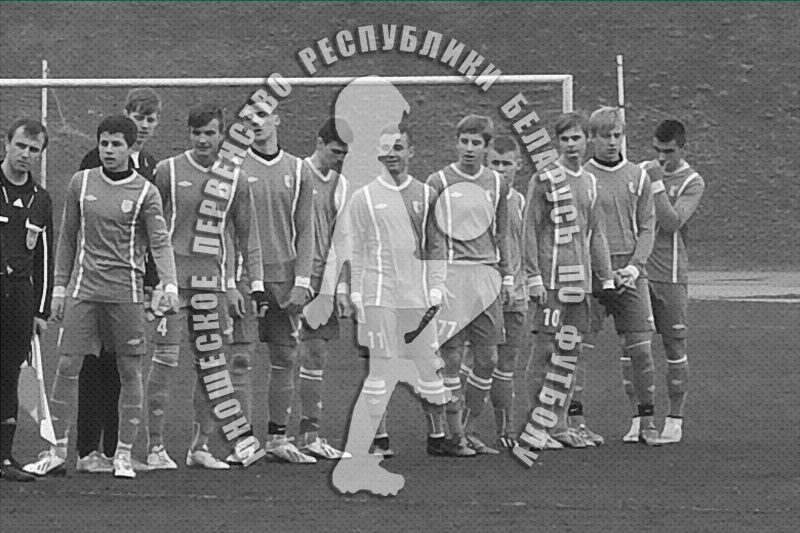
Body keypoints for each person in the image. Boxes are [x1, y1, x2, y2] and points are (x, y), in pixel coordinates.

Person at [24, 115, 178, 479]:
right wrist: (59, 288)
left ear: (129, 147)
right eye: (104, 143)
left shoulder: (146, 192)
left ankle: (122, 453)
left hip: (126, 294)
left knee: (129, 371)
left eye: (116, 144)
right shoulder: (81, 182)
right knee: (66, 366)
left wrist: (169, 285)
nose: (109, 150)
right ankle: (56, 450)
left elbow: (159, 242)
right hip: (84, 292)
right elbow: (67, 238)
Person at [331, 120, 450, 496]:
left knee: (429, 365)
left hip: (416, 298)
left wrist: (436, 286)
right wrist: (354, 292)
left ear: (410, 152)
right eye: (386, 149)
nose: (392, 155)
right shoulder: (363, 198)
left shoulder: (427, 195)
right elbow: (354, 248)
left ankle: (438, 434)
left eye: (399, 148)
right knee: (380, 367)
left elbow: (437, 244)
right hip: (378, 295)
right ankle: (379, 438)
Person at [144, 103, 262, 470]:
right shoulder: (167, 171)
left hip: (211, 287)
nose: (202, 140)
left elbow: (245, 237)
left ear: (222, 134)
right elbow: (149, 230)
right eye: (196, 133)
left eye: (210, 133)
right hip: (172, 286)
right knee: (164, 362)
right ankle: (155, 447)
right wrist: (153, 281)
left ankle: (200, 447)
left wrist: (242, 285)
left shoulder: (236, 179)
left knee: (211, 367)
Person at [75, 88, 162, 474]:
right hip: (97, 284)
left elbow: (153, 232)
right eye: (138, 117)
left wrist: (153, 281)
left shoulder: (151, 166)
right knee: (93, 365)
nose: (144, 125)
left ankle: (116, 451)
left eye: (150, 118)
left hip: (131, 283)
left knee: (123, 368)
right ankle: (86, 450)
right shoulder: (95, 162)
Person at [521, 113, 615, 450]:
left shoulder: (590, 182)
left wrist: (605, 276)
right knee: (545, 351)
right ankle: (536, 427)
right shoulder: (545, 178)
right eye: (564, 139)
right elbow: (530, 228)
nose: (571, 145)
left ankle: (559, 426)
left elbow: (596, 232)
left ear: (587, 139)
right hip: (551, 281)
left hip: (580, 285)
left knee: (569, 354)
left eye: (576, 138)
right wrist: (532, 275)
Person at [425, 115, 515, 456]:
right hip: (453, 276)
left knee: (488, 358)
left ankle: (470, 426)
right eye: (464, 141)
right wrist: (435, 280)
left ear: (487, 147)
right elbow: (432, 237)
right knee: (450, 356)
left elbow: (502, 233)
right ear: (456, 143)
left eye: (476, 143)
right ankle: (454, 435)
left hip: (486, 277)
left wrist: (507, 275)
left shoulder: (497, 183)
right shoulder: (438, 181)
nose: (469, 148)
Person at [237, 98, 319, 464]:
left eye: (262, 116)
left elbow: (306, 229)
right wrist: (231, 278)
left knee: (285, 356)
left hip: (284, 278)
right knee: (240, 358)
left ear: (277, 119)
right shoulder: (233, 167)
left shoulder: (298, 170)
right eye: (249, 118)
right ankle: (241, 441)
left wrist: (303, 280)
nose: (256, 123)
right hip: (245, 276)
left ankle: (277, 438)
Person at [582, 107, 661, 446]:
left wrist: (634, 267)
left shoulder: (638, 176)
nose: (612, 142)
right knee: (577, 350)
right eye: (605, 136)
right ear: (591, 138)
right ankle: (575, 422)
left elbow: (648, 226)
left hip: (630, 274)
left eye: (617, 135)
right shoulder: (581, 177)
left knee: (641, 350)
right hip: (591, 275)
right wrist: (596, 269)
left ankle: (646, 422)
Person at [458, 135, 528, 451]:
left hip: (516, 293)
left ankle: (505, 429)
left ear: (518, 165)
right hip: (484, 292)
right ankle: (463, 427)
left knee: (506, 363)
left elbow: (525, 244)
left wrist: (529, 280)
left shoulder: (521, 201)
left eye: (506, 163)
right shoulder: (478, 198)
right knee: (477, 359)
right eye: (495, 163)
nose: (500, 169)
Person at [641, 119, 705, 443]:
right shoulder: (643, 171)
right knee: (634, 345)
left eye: (668, 151)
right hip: (639, 271)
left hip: (670, 274)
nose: (661, 157)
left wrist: (655, 183)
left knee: (674, 344)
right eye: (657, 150)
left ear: (682, 148)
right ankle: (639, 420)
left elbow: (671, 222)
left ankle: (675, 419)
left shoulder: (692, 181)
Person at [0, 119, 53, 482]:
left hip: (19, 297)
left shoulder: (41, 199)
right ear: (7, 143)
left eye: (34, 150)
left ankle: (4, 457)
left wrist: (41, 310)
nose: (25, 154)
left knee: (10, 375)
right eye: (20, 145)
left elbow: (44, 260)